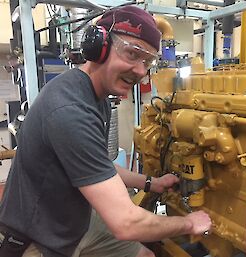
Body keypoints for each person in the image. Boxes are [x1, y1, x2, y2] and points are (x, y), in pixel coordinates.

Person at [0, 5, 212, 257]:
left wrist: (150, 183)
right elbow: (126, 223)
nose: (141, 71)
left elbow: (98, 166)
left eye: (147, 62)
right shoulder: (69, 109)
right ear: (97, 47)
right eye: (132, 54)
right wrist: (190, 222)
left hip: (72, 223)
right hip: (36, 239)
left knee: (144, 255)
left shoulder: (95, 97)